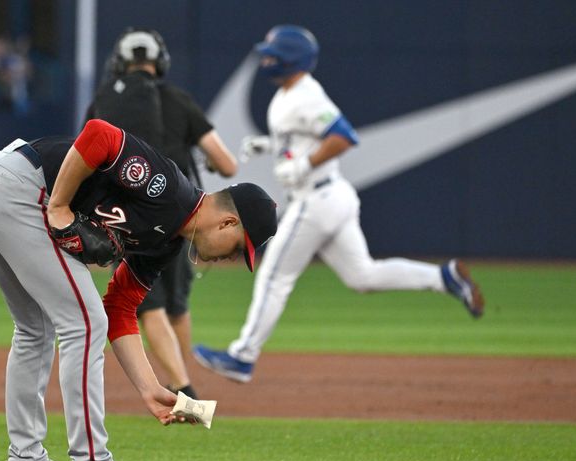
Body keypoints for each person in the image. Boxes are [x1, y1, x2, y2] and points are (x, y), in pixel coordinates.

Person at [0, 118, 276, 461]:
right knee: (82, 322)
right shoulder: (170, 188)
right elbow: (99, 134)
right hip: (21, 187)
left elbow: (121, 307)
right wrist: (59, 207)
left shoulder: (165, 245)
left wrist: (149, 387)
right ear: (229, 222)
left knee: (35, 329)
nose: (233, 257)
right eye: (239, 247)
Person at [193, 25, 485, 384]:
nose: (266, 59)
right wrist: (269, 146)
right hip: (333, 196)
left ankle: (242, 356)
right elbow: (303, 138)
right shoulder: (291, 95)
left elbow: (343, 136)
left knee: (274, 276)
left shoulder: (305, 95)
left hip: (316, 199)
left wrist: (304, 164)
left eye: (271, 53)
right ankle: (442, 278)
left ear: (289, 58)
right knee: (363, 275)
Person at [86, 28, 237, 398]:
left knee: (147, 305)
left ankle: (181, 385)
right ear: (161, 61)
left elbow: (87, 153)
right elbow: (226, 164)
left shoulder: (108, 99)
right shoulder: (179, 100)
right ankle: (182, 382)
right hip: (185, 216)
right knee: (177, 305)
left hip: (129, 215)